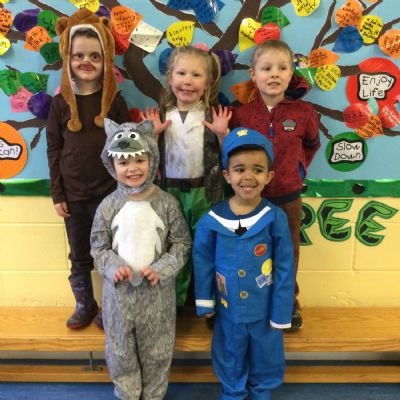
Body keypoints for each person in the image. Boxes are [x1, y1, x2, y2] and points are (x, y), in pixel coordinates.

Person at [90, 119, 192, 400]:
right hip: (118, 296)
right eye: (123, 162)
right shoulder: (107, 206)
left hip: (157, 294)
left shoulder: (167, 203)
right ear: (112, 165)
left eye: (139, 160)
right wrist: (113, 267)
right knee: (120, 350)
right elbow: (98, 246)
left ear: (152, 160)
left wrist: (163, 268)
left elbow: (182, 243)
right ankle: (128, 394)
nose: (132, 168)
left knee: (158, 350)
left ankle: (154, 395)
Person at [193, 127, 295, 400]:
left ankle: (261, 392)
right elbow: (202, 261)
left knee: (267, 358)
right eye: (239, 169)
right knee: (229, 357)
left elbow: (284, 267)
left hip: (265, 311)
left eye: (257, 170)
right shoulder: (212, 219)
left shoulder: (274, 217)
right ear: (227, 175)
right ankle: (233, 392)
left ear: (269, 176)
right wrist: (205, 302)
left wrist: (281, 312)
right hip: (228, 313)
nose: (248, 176)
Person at [46, 8, 131, 329]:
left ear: (106, 59)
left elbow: (128, 148)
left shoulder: (116, 102)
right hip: (74, 197)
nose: (86, 61)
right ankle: (85, 304)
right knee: (79, 255)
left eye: (95, 56)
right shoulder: (59, 105)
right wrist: (58, 194)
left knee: (113, 254)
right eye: (78, 55)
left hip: (111, 195)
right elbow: (53, 150)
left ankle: (112, 306)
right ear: (67, 58)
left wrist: (127, 192)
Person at [229, 39, 320, 331]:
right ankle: (250, 303)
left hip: (288, 197)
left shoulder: (304, 112)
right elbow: (231, 152)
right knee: (248, 252)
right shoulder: (240, 114)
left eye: (282, 68)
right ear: (253, 74)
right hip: (248, 200)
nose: (274, 74)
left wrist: (297, 169)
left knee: (287, 253)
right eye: (266, 68)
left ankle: (288, 305)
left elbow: (311, 144)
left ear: (291, 73)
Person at [141, 45, 231, 307]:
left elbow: (231, 159)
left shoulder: (213, 116)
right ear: (170, 78)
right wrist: (152, 136)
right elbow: (143, 161)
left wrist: (223, 135)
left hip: (205, 194)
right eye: (181, 73)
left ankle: (207, 302)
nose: (188, 81)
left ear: (208, 82)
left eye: (196, 75)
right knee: (173, 248)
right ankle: (175, 303)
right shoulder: (160, 116)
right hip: (169, 194)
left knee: (205, 247)